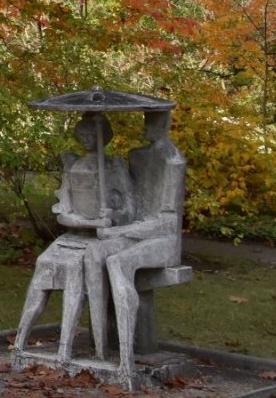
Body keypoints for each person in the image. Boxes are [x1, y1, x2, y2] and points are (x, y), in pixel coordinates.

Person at [14, 113, 133, 360]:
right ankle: (21, 340)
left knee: (78, 268)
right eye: (83, 135)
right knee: (43, 263)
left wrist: (112, 215)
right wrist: (84, 221)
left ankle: (68, 347)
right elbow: (63, 214)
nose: (87, 140)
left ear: (104, 137)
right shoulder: (74, 167)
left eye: (92, 135)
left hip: (106, 240)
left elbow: (130, 211)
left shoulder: (114, 167)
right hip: (74, 236)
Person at [89, 110, 186, 375]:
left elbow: (166, 222)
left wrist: (126, 230)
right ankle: (99, 347)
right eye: (145, 121)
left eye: (153, 122)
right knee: (94, 253)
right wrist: (115, 214)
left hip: (162, 241)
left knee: (119, 262)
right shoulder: (136, 156)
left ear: (165, 123)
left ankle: (126, 353)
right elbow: (131, 207)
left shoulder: (173, 162)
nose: (146, 127)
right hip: (134, 233)